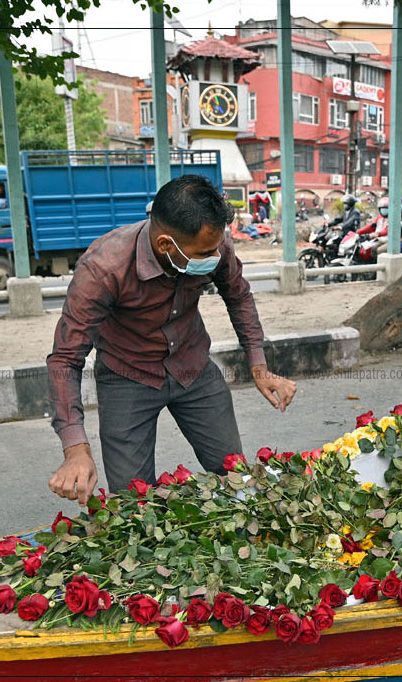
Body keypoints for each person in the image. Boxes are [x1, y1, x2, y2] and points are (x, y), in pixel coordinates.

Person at [47, 174, 298, 504]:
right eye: (205, 252)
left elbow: (238, 296)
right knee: (134, 504)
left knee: (235, 480)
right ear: (166, 244)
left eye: (216, 248)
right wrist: (76, 449)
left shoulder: (215, 244)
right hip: (127, 376)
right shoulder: (103, 269)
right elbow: (66, 358)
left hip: (193, 366)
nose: (215, 256)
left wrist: (259, 366)